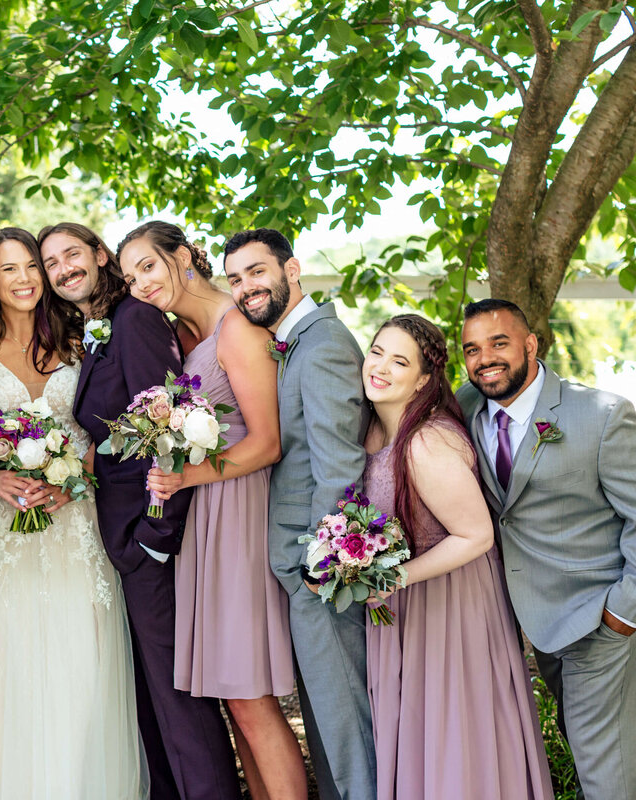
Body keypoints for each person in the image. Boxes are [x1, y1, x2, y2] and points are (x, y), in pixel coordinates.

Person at [42, 221, 241, 799]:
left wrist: (158, 532)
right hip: (123, 540)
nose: (62, 270)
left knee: (179, 699)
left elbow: (170, 423)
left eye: (72, 254)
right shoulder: (103, 328)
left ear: (98, 256)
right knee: (149, 696)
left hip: (150, 538)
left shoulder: (135, 318)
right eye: (50, 262)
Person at [0, 227, 146, 798]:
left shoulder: (80, 335)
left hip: (76, 522)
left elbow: (110, 426)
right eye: (8, 268)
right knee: (9, 668)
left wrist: (79, 473)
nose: (23, 279)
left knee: (82, 666)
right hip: (4, 531)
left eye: (32, 267)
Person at [122, 221, 304, 800]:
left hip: (240, 517)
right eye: (129, 278)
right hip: (206, 517)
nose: (140, 284)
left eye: (148, 266)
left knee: (250, 695)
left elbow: (268, 440)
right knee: (231, 695)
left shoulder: (237, 328)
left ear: (183, 257)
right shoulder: (181, 331)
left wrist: (185, 475)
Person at [359, 314, 553, 799]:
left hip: (450, 604)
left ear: (424, 379)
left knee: (455, 733)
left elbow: (475, 535)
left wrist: (392, 579)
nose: (380, 367)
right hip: (404, 603)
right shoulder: (374, 432)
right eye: (377, 351)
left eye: (399, 360)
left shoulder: (426, 441)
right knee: (418, 736)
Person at [459, 299, 636, 800]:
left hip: (598, 620)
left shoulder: (600, 415)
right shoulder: (466, 408)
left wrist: (622, 612)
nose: (485, 358)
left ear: (531, 344)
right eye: (472, 349)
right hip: (536, 626)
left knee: (606, 771)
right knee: (594, 759)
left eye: (499, 343)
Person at [224, 228, 375, 799]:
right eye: (235, 279)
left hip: (318, 570)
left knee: (344, 719)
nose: (246, 288)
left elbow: (339, 465)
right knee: (324, 714)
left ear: (292, 270)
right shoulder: (292, 342)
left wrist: (318, 564)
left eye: (257, 272)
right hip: (301, 567)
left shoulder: (324, 342)